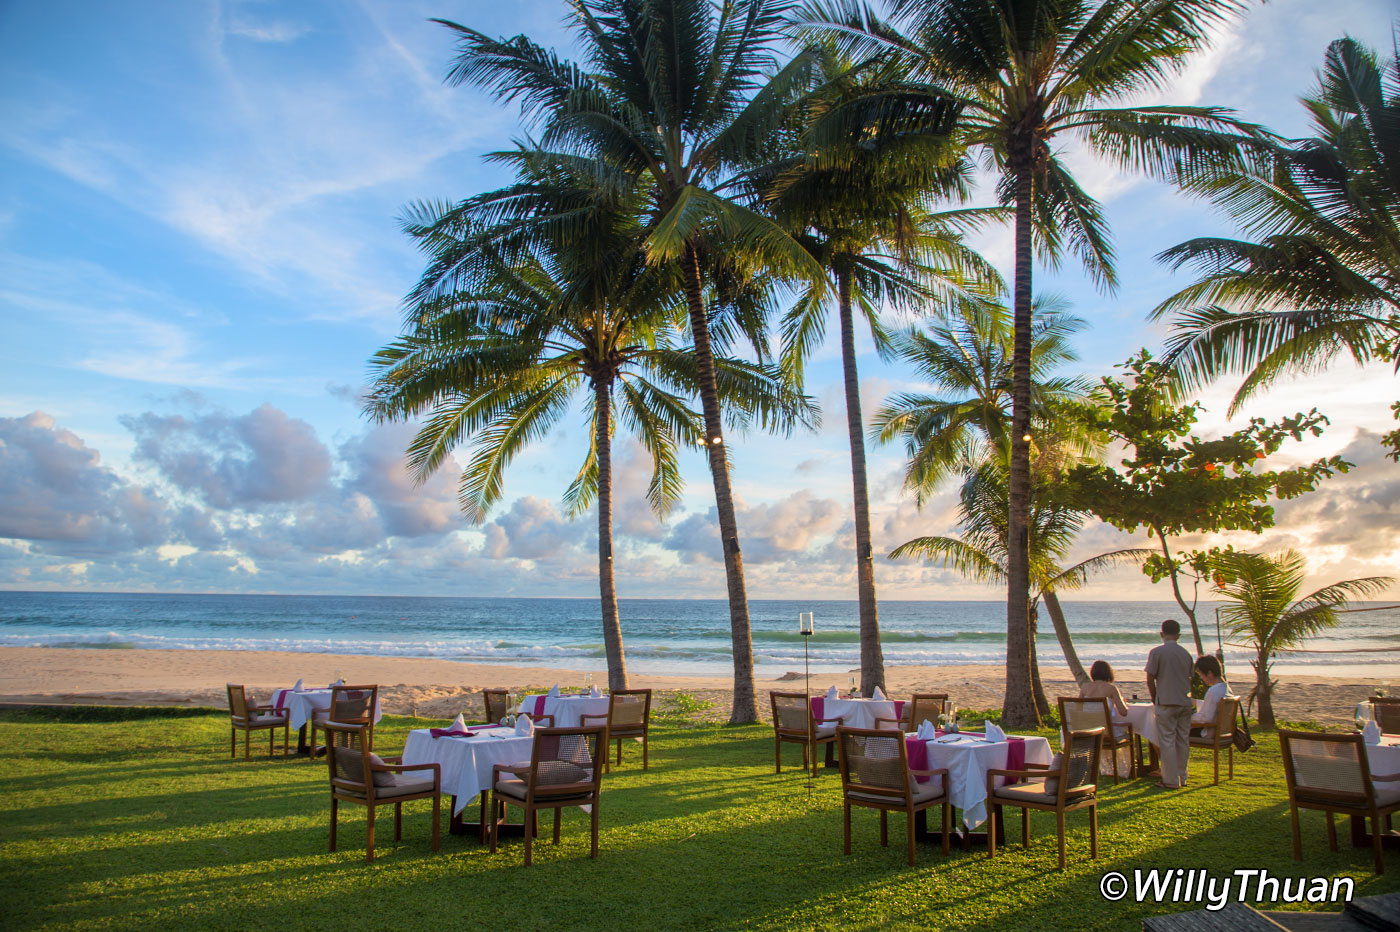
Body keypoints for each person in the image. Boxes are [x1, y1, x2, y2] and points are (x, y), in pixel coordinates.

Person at [1146, 619, 1195, 789]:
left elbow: (1150, 679)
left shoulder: (1157, 652)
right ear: (1179, 635)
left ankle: (1171, 779)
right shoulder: (1186, 654)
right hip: (1184, 701)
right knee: (1182, 739)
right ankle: (1182, 775)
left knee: (1167, 741)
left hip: (1166, 701)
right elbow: (1190, 677)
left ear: (1162, 634)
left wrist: (1155, 698)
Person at [1080, 660, 1130, 776]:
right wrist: (1121, 701)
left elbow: (1079, 710)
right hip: (1107, 733)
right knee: (1127, 729)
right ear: (1109, 673)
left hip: (1089, 731)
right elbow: (1123, 712)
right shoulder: (1111, 689)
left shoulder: (1085, 688)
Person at [1190, 655, 1234, 740]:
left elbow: (1206, 718)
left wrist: (1188, 717)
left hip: (1209, 734)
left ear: (1209, 674)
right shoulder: (1226, 689)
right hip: (1223, 733)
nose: (1202, 678)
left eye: (1201, 675)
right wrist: (1195, 702)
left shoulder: (1213, 691)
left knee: (1174, 730)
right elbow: (1213, 708)